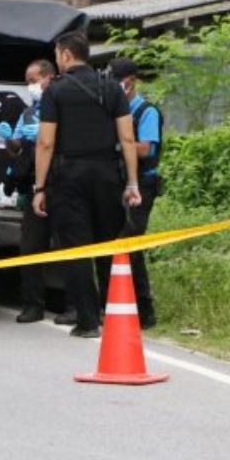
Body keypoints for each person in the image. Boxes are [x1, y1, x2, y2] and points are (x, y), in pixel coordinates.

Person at [32, 31, 142, 339]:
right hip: (108, 176)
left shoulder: (55, 91)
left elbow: (45, 142)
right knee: (107, 246)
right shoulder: (112, 89)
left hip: (69, 178)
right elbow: (128, 138)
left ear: (66, 55)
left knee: (76, 249)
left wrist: (39, 187)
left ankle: (87, 321)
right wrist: (132, 183)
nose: (57, 60)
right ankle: (113, 312)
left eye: (57, 55)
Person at [0, 60, 56, 323]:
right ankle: (32, 305)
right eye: (27, 81)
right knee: (31, 246)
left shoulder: (62, 107)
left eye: (34, 80)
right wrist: (9, 139)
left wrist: (46, 134)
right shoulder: (28, 113)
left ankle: (75, 307)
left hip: (60, 182)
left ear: (49, 78)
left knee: (69, 245)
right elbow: (16, 149)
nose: (30, 86)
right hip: (33, 185)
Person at [106, 57, 161, 329]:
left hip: (143, 186)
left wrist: (120, 144)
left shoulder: (146, 111)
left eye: (117, 79)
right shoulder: (113, 109)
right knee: (114, 244)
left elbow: (146, 148)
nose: (114, 84)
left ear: (131, 81)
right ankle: (118, 306)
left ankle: (145, 309)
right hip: (119, 183)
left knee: (130, 245)